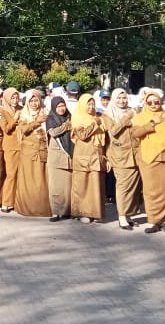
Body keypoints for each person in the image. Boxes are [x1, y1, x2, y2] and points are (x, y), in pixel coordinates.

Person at [130, 89, 165, 233]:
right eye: (150, 102)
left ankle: (161, 220)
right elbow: (135, 133)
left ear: (160, 101)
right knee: (151, 191)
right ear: (145, 103)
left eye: (156, 101)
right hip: (149, 158)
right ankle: (153, 221)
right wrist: (151, 123)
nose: (153, 104)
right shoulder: (140, 117)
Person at [105, 88, 142, 230]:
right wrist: (127, 118)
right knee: (123, 186)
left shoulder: (132, 111)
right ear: (114, 99)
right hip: (119, 155)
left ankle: (129, 215)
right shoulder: (108, 114)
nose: (122, 101)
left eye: (124, 98)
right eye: (119, 98)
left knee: (134, 187)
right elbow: (113, 131)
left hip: (135, 154)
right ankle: (121, 216)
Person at [70, 94, 108, 224]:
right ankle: (82, 213)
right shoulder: (77, 118)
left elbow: (105, 139)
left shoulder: (98, 117)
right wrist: (94, 123)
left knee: (96, 186)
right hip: (83, 156)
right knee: (83, 186)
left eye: (93, 104)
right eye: (88, 104)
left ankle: (95, 213)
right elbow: (82, 135)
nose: (91, 107)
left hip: (97, 155)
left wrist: (106, 158)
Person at [15, 90, 51, 217]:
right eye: (31, 101)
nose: (34, 104)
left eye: (36, 100)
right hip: (29, 152)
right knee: (29, 181)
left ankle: (43, 208)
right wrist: (37, 121)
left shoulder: (46, 112)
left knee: (42, 181)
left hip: (43, 150)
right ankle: (28, 208)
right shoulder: (24, 114)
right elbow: (23, 129)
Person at [45, 96, 73, 222]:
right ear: (54, 107)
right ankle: (56, 212)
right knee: (56, 187)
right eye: (59, 106)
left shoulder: (70, 116)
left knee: (67, 187)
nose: (62, 109)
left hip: (68, 156)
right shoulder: (51, 118)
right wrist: (66, 126)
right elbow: (53, 132)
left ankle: (66, 211)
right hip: (56, 158)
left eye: (63, 106)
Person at [0, 88, 21, 213]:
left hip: (22, 145)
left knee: (20, 175)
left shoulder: (21, 109)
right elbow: (6, 129)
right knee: (11, 174)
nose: (15, 100)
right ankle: (6, 202)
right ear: (7, 98)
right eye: (12, 98)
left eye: (17, 98)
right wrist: (15, 119)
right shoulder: (1, 111)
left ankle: (16, 201)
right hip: (11, 147)